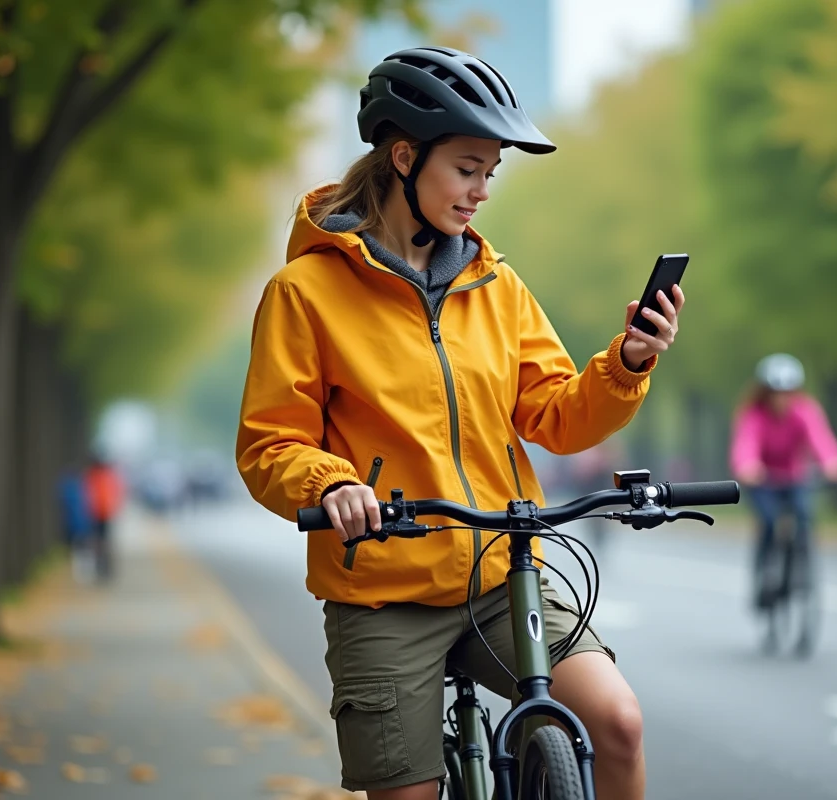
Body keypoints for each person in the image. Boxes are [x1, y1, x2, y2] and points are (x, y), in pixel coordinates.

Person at [235, 47, 685, 800]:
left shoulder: (496, 284)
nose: (481, 192)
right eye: (467, 168)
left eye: (490, 175)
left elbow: (558, 417)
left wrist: (629, 361)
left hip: (499, 579)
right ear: (405, 157)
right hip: (383, 589)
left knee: (617, 725)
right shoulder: (305, 293)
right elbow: (269, 443)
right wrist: (334, 484)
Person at [730, 354, 837, 610]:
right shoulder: (754, 415)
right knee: (770, 521)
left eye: (787, 392)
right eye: (776, 392)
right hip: (763, 479)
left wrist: (833, 462)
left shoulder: (805, 411)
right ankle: (764, 573)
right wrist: (748, 466)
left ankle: (801, 564)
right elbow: (746, 445)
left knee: (804, 515)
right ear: (765, 392)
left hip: (795, 478)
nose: (782, 398)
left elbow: (821, 439)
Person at [83, 452, 125, 583]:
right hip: (103, 513)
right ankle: (104, 565)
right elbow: (116, 492)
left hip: (96, 513)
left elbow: (87, 495)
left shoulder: (92, 476)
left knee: (98, 541)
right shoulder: (105, 475)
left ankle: (102, 566)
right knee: (103, 541)